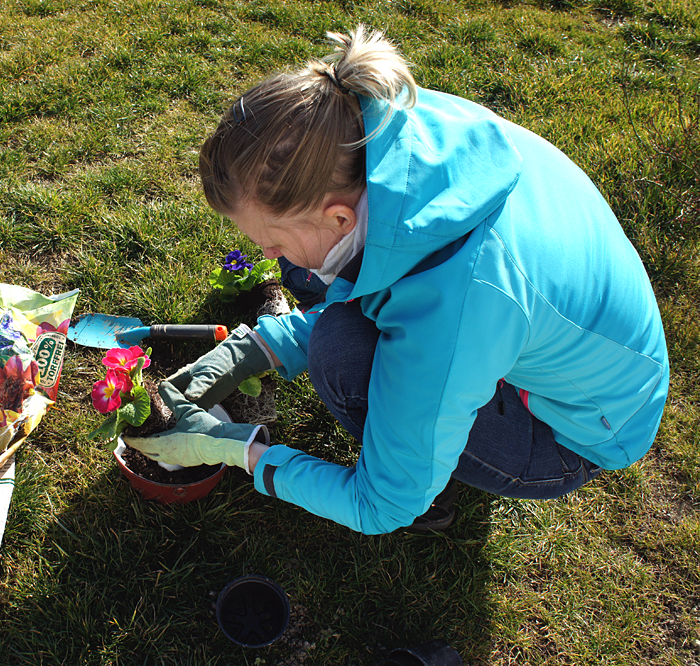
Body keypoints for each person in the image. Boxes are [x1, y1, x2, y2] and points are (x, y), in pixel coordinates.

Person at [123, 26, 669, 535]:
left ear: (340, 219)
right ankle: (432, 413)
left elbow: (380, 506)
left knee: (342, 355)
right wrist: (260, 346)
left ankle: (438, 486)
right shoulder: (384, 129)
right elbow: (399, 277)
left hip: (573, 435)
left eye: (272, 238)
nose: (264, 255)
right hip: (531, 330)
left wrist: (234, 449)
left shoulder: (460, 300)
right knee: (304, 271)